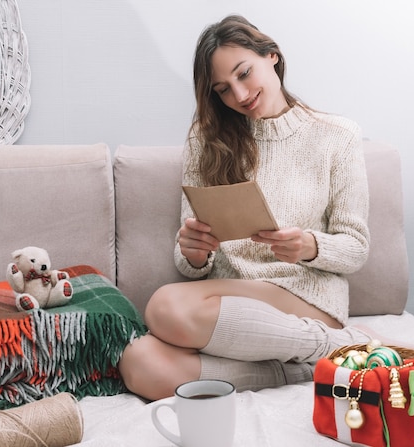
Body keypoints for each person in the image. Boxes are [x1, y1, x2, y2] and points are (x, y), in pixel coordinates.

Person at [119, 14, 371, 401]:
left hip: (306, 299)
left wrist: (309, 246)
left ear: (271, 55)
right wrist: (194, 251)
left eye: (244, 73)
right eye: (222, 89)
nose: (238, 95)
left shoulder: (337, 137)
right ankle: (300, 369)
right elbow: (189, 263)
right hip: (233, 305)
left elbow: (355, 248)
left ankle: (336, 344)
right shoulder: (206, 142)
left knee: (165, 306)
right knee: (139, 363)